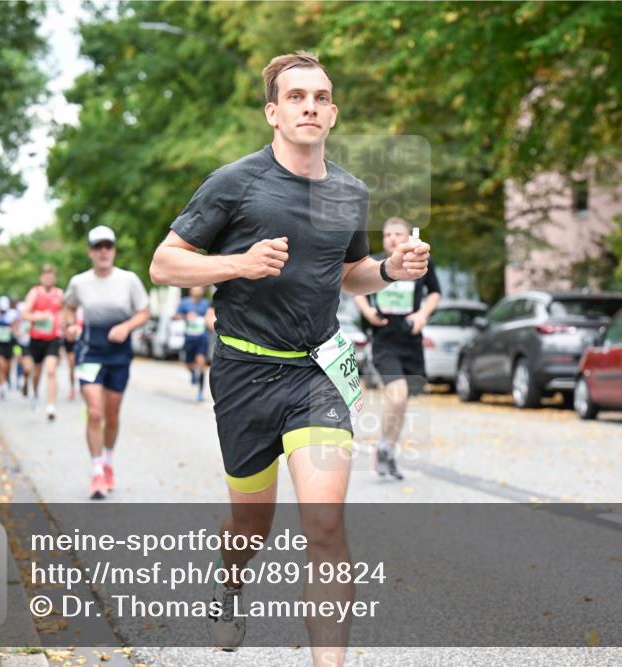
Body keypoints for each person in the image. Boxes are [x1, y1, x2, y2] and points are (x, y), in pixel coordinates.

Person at [149, 51, 430, 665]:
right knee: (251, 527)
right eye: (296, 97)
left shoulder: (350, 192)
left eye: (321, 97)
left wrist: (389, 269)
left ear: (333, 112)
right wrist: (238, 264)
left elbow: (349, 273)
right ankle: (228, 582)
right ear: (273, 113)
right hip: (244, 372)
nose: (310, 107)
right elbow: (163, 264)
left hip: (316, 372)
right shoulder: (234, 183)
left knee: (325, 525)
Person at [62, 225, 150, 500]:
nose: (103, 251)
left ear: (113, 250)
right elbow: (68, 307)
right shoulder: (79, 282)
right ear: (90, 252)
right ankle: (97, 471)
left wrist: (126, 326)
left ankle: (108, 462)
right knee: (95, 412)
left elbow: (144, 312)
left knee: (111, 415)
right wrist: (70, 326)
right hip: (89, 352)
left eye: (107, 246)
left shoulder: (129, 280)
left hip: (119, 354)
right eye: (97, 246)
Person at [354, 217, 441, 480]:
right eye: (387, 234)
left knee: (401, 402)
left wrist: (422, 315)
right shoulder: (375, 263)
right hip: (384, 341)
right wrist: (367, 311)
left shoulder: (418, 263)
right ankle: (384, 448)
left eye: (397, 234)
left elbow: (435, 292)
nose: (392, 238)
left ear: (408, 237)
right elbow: (356, 288)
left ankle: (388, 449)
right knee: (398, 395)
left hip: (410, 340)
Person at [22, 265, 64, 421]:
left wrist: (63, 326)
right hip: (36, 339)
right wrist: (38, 317)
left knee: (51, 370)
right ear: (41, 277)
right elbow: (24, 314)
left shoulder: (60, 294)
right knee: (37, 373)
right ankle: (35, 392)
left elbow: (65, 314)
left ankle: (51, 406)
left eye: (51, 276)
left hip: (53, 339)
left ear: (55, 278)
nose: (48, 279)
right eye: (45, 276)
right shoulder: (34, 292)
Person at [173, 286, 213, 401]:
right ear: (191, 290)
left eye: (200, 288)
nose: (198, 290)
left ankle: (200, 392)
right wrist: (186, 316)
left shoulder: (206, 303)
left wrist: (208, 321)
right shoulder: (185, 303)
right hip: (189, 337)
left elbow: (211, 316)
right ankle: (193, 374)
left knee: (201, 364)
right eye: (196, 288)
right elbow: (174, 316)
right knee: (188, 363)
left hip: (202, 337)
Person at [0, 296, 19, 399]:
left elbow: (16, 327)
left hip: (9, 343)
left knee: (8, 366)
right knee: (1, 365)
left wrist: (14, 332)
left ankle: (7, 378)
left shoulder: (13, 314)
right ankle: (1, 386)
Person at [63, 305, 83, 401]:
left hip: (82, 342)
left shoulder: (84, 310)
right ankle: (72, 388)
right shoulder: (67, 311)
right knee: (72, 366)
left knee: (82, 366)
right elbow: (67, 335)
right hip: (71, 343)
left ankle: (83, 387)